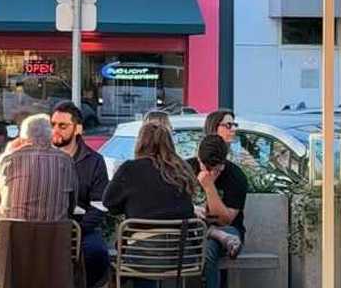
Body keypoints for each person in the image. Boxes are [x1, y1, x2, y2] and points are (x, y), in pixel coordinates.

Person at [103, 123, 198, 288]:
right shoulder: (183, 169)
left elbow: (109, 202)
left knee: (130, 257)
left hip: (144, 255)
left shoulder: (130, 169)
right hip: (183, 255)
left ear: (140, 143)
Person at [50, 101, 110, 287]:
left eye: (62, 126)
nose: (55, 130)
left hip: (82, 227)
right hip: (46, 224)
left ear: (78, 129)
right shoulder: (43, 158)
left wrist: (78, 229)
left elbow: (100, 204)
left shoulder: (95, 161)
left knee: (97, 253)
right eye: (52, 125)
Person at [187, 109, 248, 288]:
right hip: (190, 228)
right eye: (228, 125)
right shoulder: (186, 169)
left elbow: (224, 219)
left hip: (228, 228)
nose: (233, 129)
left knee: (210, 248)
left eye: (234, 125)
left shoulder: (235, 175)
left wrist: (208, 186)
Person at [0, 114, 77, 221]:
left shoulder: (8, 159)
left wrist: (8, 152)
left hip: (13, 235)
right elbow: (72, 204)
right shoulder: (66, 161)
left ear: (23, 137)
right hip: (54, 235)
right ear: (51, 135)